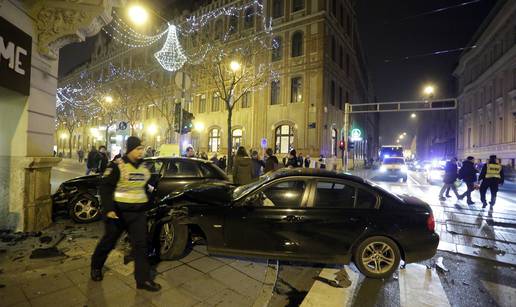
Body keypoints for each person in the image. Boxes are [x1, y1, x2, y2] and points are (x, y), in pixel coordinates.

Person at [90, 136, 161, 292]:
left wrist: (149, 199)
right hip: (118, 214)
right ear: (130, 150)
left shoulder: (144, 167)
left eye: (142, 148)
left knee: (141, 245)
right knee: (109, 242)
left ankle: (143, 280)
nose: (141, 151)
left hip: (138, 214)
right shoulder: (117, 166)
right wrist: (109, 209)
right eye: (138, 149)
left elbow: (147, 187)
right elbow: (106, 187)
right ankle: (96, 266)